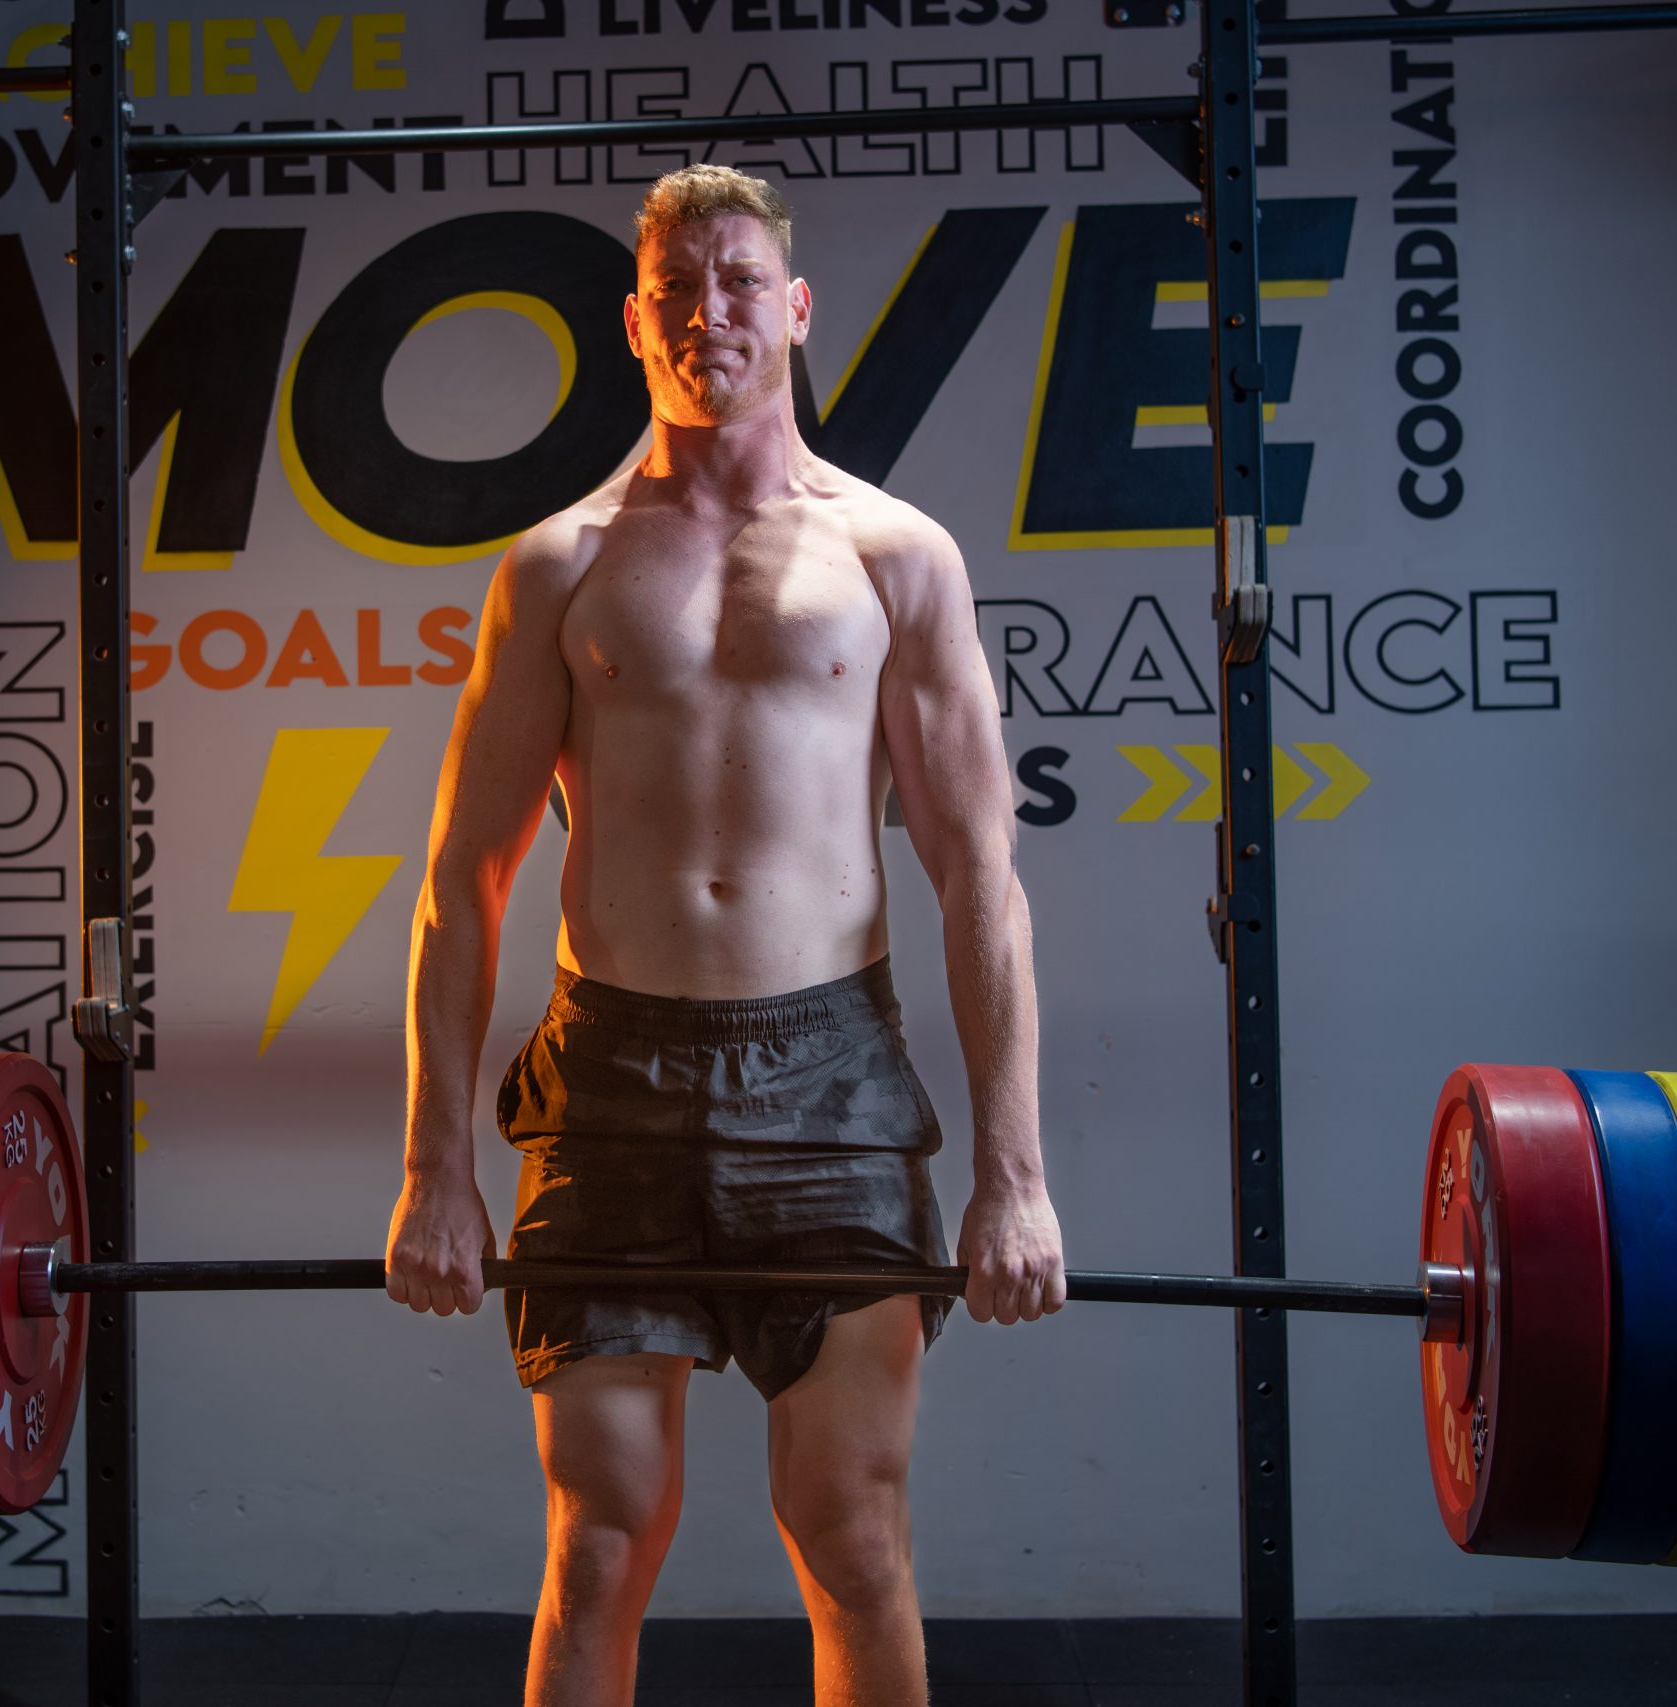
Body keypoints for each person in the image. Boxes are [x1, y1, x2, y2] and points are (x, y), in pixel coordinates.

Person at [382, 163, 1066, 1707]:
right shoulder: (558, 566)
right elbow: (460, 880)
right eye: (677, 290)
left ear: (796, 307)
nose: (712, 314)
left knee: (853, 1538)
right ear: (635, 323)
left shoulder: (896, 556)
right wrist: (436, 1170)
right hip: (609, 1085)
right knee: (597, 1549)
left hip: (830, 1081)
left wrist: (1015, 1178)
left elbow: (979, 878)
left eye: (741, 281)